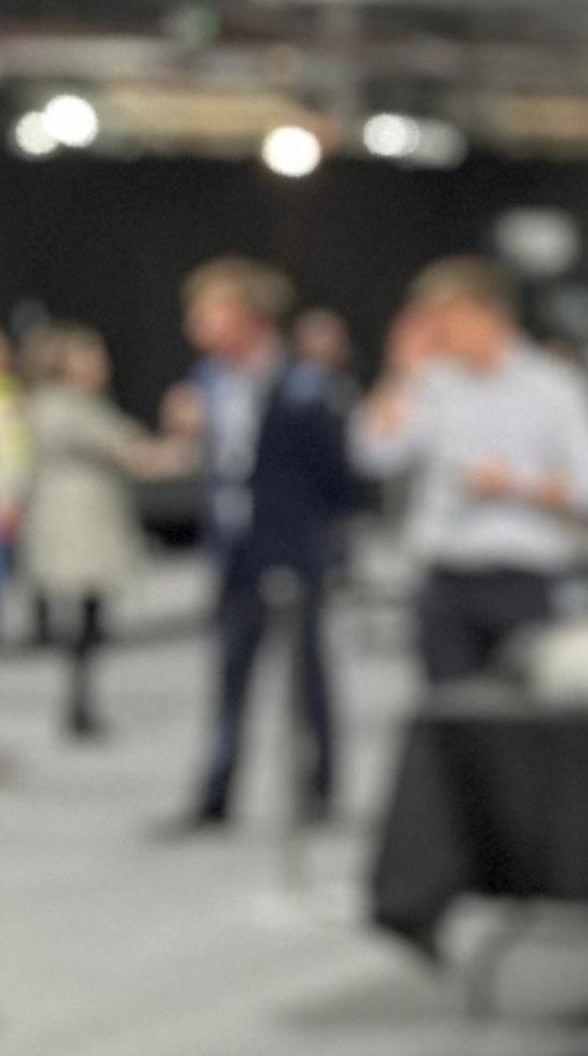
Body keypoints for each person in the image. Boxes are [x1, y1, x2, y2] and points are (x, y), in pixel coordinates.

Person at [351, 256, 588, 685]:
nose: (438, 332)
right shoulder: (430, 385)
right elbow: (372, 454)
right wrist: (400, 371)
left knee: (519, 729)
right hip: (445, 580)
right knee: (448, 726)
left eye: (447, 318)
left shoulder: (556, 387)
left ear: (491, 314)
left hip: (524, 581)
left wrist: (513, 485)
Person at [173, 258, 357, 831]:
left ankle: (321, 790)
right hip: (234, 552)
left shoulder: (305, 388)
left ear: (251, 319)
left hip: (293, 551)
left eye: (212, 313)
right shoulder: (207, 385)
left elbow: (338, 479)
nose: (199, 327)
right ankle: (216, 795)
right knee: (230, 678)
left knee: (308, 678)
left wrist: (320, 541)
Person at [17, 326, 160, 742]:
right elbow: (130, 449)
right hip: (77, 524)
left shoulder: (82, 405)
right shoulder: (61, 406)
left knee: (89, 614)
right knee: (83, 616)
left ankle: (80, 702)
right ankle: (78, 705)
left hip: (86, 520)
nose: (100, 365)